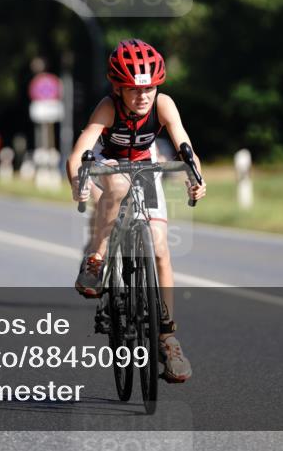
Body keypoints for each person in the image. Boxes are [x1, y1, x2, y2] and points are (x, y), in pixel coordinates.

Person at [66, 39, 207, 383]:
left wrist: (196, 177)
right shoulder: (107, 108)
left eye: (149, 88)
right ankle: (97, 260)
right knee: (117, 186)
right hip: (109, 166)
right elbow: (78, 153)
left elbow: (185, 147)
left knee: (159, 249)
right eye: (133, 90)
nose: (143, 96)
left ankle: (167, 339)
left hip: (147, 168)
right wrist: (77, 183)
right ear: (118, 88)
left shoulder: (163, 105)